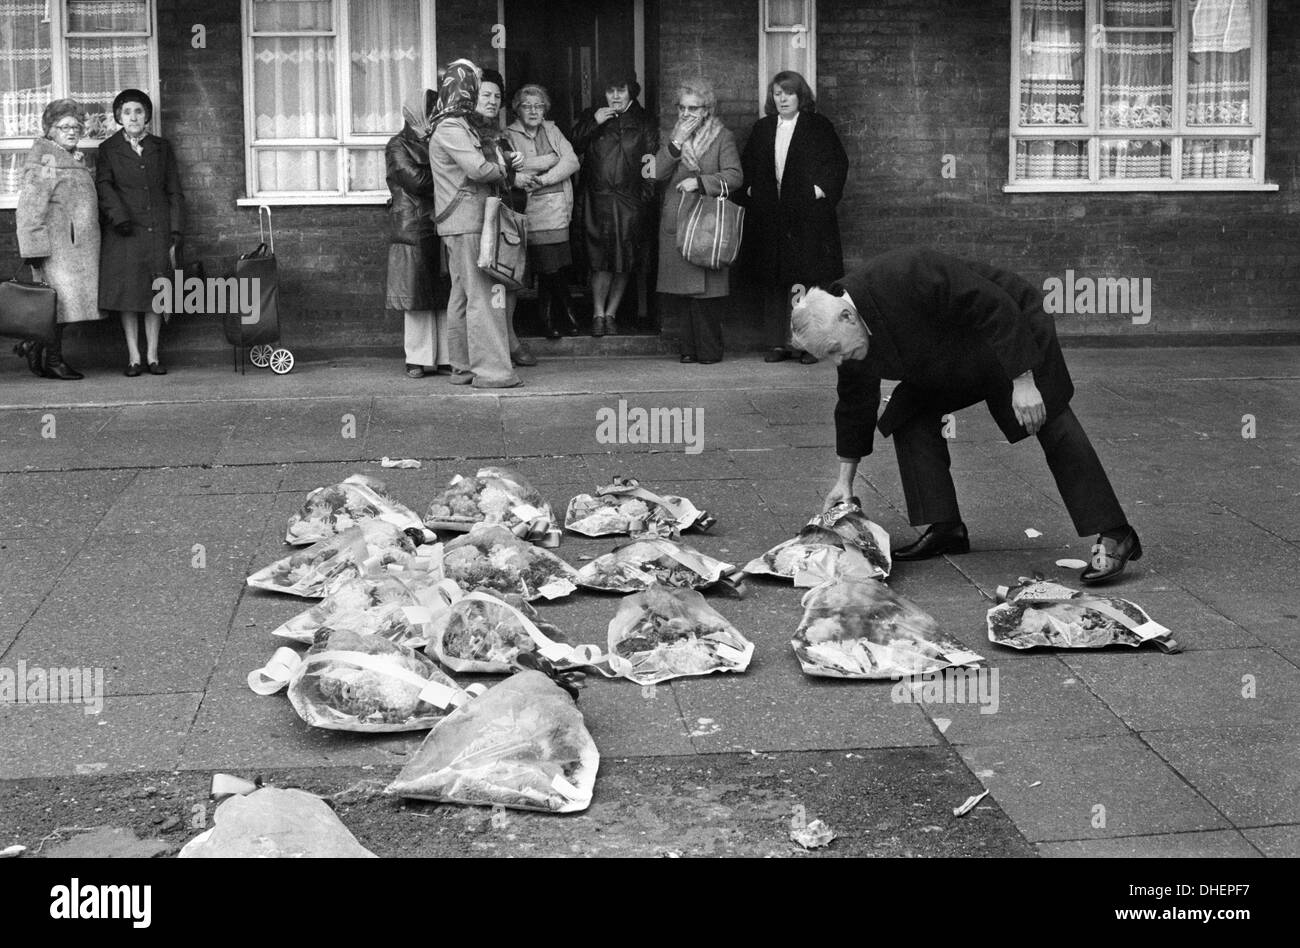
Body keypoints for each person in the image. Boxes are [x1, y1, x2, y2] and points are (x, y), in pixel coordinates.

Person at [792, 247, 1143, 586]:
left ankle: (1115, 533)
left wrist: (1023, 381)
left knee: (1046, 415)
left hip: (1010, 328)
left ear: (847, 316)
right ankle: (946, 527)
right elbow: (855, 402)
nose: (838, 360)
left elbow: (994, 305)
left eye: (836, 351)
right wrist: (845, 482)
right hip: (953, 355)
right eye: (830, 357)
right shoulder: (847, 337)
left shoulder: (909, 271)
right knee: (909, 412)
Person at [428, 59, 524, 389]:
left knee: (462, 297)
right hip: (467, 221)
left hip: (461, 222)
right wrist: (505, 170)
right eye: (474, 83)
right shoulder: (452, 127)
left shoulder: (451, 123)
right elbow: (478, 170)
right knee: (484, 297)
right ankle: (493, 373)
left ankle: (463, 369)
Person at [741, 70, 847, 365]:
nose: (782, 98)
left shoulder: (818, 126)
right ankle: (776, 343)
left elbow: (837, 164)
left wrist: (818, 192)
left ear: (801, 96)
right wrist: (752, 190)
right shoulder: (763, 128)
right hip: (771, 218)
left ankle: (807, 345)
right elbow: (747, 164)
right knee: (774, 282)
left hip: (807, 218)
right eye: (777, 93)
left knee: (806, 283)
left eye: (788, 93)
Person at [96, 89, 185, 376]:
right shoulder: (108, 150)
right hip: (124, 232)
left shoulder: (162, 147)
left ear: (146, 115)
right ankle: (134, 357)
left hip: (157, 230)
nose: (133, 117)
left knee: (154, 293)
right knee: (129, 294)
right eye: (127, 112)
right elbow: (104, 186)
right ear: (119, 118)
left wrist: (175, 229)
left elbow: (174, 191)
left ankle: (153, 355)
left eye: (138, 111)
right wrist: (119, 218)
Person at [653, 79, 742, 364]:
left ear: (707, 110)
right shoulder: (673, 137)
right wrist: (675, 143)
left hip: (706, 223)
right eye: (682, 107)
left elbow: (735, 176)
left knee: (705, 297)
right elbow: (653, 172)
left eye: (694, 108)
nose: (686, 113)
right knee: (683, 295)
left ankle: (708, 351)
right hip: (678, 220)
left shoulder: (722, 137)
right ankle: (688, 349)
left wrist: (701, 182)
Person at [14, 99, 103, 380]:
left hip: (72, 249)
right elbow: (32, 205)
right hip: (56, 249)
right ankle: (53, 361)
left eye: (77, 126)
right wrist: (34, 248)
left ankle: (32, 346)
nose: (72, 131)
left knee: (59, 306)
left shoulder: (69, 156)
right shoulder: (50, 159)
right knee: (56, 306)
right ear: (49, 130)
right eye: (64, 126)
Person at [571, 72, 659, 337]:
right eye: (611, 91)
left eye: (621, 90)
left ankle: (611, 313)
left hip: (629, 201)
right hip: (597, 200)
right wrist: (593, 123)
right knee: (600, 260)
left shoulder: (644, 121)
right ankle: (597, 314)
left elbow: (650, 162)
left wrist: (644, 198)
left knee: (625, 260)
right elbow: (572, 144)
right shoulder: (593, 116)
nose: (616, 96)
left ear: (631, 91)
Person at [505, 83, 580, 341]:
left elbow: (571, 161)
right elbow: (510, 169)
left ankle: (555, 317)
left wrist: (544, 178)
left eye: (538, 106)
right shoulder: (509, 134)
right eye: (527, 106)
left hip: (558, 209)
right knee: (546, 267)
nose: (534, 111)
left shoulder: (553, 129)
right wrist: (548, 160)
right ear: (518, 109)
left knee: (557, 267)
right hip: (532, 212)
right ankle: (557, 316)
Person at [386, 88, 451, 379]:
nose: (437, 115)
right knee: (416, 294)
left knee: (444, 292)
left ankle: (445, 357)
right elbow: (416, 181)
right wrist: (449, 172)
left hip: (441, 221)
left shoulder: (437, 139)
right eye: (433, 110)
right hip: (413, 225)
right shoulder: (397, 145)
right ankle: (417, 358)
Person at [473, 69, 535, 368]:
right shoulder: (465, 130)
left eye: (496, 96)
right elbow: (478, 172)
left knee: (510, 279)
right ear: (473, 97)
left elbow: (507, 171)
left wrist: (515, 164)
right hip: (478, 218)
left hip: (505, 216)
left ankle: (508, 338)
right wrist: (510, 172)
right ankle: (500, 346)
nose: (492, 101)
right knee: (486, 286)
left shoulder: (500, 133)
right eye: (486, 95)